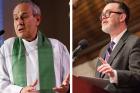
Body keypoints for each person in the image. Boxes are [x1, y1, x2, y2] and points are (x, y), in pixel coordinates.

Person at [0, 1, 70, 93]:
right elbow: (1, 83)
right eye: (16, 18)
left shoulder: (57, 47)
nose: (19, 22)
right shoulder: (6, 48)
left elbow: (68, 80)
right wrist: (21, 90)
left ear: (37, 19)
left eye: (24, 17)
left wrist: (67, 88)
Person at [95, 1, 140, 93]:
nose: (103, 17)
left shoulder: (135, 42)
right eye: (102, 15)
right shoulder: (103, 50)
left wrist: (114, 74)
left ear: (122, 17)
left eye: (108, 13)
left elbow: (138, 75)